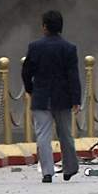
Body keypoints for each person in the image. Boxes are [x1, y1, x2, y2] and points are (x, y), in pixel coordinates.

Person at [21, 10, 81, 183]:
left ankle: (47, 172)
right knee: (65, 135)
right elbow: (73, 76)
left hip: (41, 98)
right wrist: (76, 99)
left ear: (44, 27)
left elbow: (26, 71)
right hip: (62, 98)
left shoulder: (35, 47)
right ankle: (69, 168)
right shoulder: (69, 48)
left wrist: (30, 89)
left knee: (42, 136)